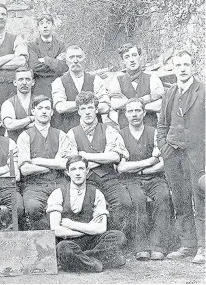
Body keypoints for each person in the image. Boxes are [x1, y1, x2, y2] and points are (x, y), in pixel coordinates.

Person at [157, 50, 205, 264]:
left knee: (201, 200)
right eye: (178, 65)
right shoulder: (170, 93)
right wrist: (164, 147)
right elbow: (162, 124)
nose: (183, 69)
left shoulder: (203, 91)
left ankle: (203, 247)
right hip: (173, 155)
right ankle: (188, 245)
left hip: (198, 156)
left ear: (193, 66)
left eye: (186, 64)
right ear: (173, 68)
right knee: (180, 199)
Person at [47, 156, 126, 273]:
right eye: (73, 169)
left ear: (87, 171)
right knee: (63, 248)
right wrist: (89, 228)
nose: (78, 173)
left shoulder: (96, 193)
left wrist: (71, 224)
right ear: (67, 173)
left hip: (92, 241)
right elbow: (56, 230)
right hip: (70, 242)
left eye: (81, 169)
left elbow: (101, 228)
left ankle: (84, 260)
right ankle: (101, 261)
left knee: (118, 236)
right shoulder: (58, 193)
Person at [67, 91, 131, 233]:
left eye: (90, 108)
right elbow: (73, 163)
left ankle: (116, 242)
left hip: (108, 178)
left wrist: (85, 156)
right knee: (83, 207)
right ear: (78, 111)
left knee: (124, 202)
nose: (87, 112)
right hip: (85, 180)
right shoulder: (72, 133)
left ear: (96, 110)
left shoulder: (108, 130)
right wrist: (102, 157)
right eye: (83, 109)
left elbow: (115, 157)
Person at [118, 98, 172, 261]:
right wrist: (148, 162)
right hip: (131, 180)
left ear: (144, 112)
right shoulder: (120, 135)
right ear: (125, 114)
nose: (134, 114)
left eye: (137, 111)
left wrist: (138, 168)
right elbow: (121, 167)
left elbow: (162, 163)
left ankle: (158, 246)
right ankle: (140, 246)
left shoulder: (154, 132)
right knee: (138, 200)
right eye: (130, 111)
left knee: (163, 197)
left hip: (155, 178)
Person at [17, 95, 75, 230]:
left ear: (52, 112)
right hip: (34, 186)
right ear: (33, 111)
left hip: (59, 182)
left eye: (47, 108)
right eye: (40, 108)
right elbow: (25, 169)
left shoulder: (61, 135)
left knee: (69, 206)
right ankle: (44, 244)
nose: (44, 111)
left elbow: (65, 164)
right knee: (33, 207)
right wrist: (54, 165)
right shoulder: (25, 136)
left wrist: (38, 162)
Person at [52, 45, 110, 132]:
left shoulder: (96, 80)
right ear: (66, 61)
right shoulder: (59, 82)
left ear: (84, 59)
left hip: (95, 132)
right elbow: (60, 107)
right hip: (69, 132)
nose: (75, 60)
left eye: (79, 57)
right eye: (71, 57)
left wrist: (74, 106)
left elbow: (105, 107)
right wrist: (89, 105)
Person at [108, 43, 164, 129]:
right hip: (126, 131)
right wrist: (147, 100)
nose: (132, 60)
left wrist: (128, 105)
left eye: (134, 55)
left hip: (149, 129)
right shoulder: (116, 81)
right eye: (127, 57)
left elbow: (159, 105)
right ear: (123, 61)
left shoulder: (153, 78)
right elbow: (115, 104)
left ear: (140, 57)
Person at [28, 13, 68, 98]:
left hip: (59, 87)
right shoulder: (32, 46)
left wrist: (45, 60)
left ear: (53, 25)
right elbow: (34, 67)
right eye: (42, 23)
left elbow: (64, 66)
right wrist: (55, 62)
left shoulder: (61, 45)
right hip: (40, 88)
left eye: (48, 23)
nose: (45, 26)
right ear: (38, 27)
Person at [1, 67, 35, 142]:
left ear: (33, 82)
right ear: (15, 82)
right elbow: (9, 125)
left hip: (36, 145)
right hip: (15, 146)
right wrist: (31, 119)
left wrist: (18, 124)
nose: (24, 83)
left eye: (28, 79)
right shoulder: (8, 103)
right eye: (20, 79)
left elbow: (45, 123)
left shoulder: (39, 101)